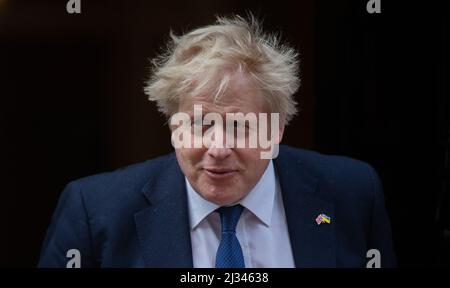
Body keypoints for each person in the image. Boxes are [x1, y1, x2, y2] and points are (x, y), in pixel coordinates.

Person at [38, 14, 396, 268]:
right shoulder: (95, 211)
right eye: (199, 124)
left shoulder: (352, 193)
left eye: (240, 126)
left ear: (276, 130)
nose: (218, 147)